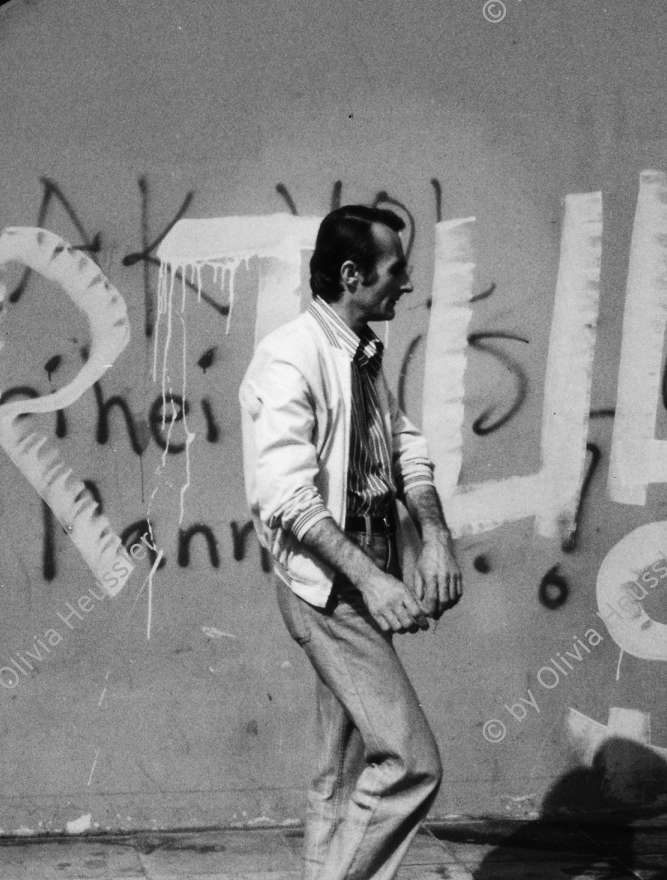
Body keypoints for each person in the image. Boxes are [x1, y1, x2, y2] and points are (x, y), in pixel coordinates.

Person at [239, 203, 463, 880]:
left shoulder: (362, 351)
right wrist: (371, 581)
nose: (407, 282)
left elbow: (402, 448)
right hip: (332, 586)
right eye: (396, 269)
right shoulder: (289, 357)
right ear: (351, 274)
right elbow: (287, 497)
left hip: (369, 566)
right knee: (409, 763)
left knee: (337, 775)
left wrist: (434, 539)